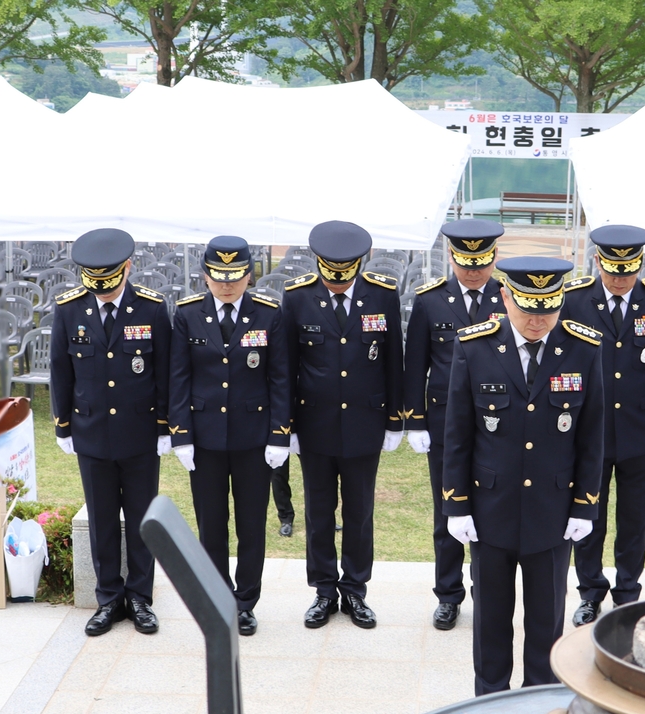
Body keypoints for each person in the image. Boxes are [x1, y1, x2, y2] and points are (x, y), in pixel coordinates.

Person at [442, 257, 605, 696]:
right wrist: (456, 504)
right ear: (505, 297)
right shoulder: (474, 346)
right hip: (489, 509)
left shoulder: (583, 348)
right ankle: (489, 704)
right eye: (527, 308)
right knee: (491, 622)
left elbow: (591, 438)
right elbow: (458, 434)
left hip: (552, 514)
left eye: (548, 309)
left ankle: (537, 707)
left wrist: (585, 505)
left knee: (545, 623)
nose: (537, 321)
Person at [282, 221, 405, 629]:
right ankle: (322, 591)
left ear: (358, 266)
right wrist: (289, 426)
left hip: (365, 423)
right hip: (314, 424)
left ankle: (354, 590)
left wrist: (394, 421)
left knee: (359, 512)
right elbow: (286, 367)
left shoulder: (382, 295)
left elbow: (393, 362)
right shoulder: (297, 298)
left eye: (344, 273)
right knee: (319, 513)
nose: (337, 283)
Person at [50, 228, 172, 636]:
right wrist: (62, 425)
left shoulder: (152, 309)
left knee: (142, 520)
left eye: (110, 283)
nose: (103, 292)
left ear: (127, 269)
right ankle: (108, 599)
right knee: (102, 521)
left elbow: (164, 374)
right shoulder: (69, 309)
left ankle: (140, 598)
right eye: (95, 284)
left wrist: (164, 427)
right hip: (92, 433)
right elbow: (60, 372)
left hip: (140, 434)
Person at [168, 236, 290, 637]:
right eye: (217, 277)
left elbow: (280, 379)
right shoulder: (187, 315)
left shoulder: (269, 315)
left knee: (251, 525)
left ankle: (245, 602)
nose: (225, 285)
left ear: (249, 274)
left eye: (234, 277)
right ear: (204, 275)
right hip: (203, 440)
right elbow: (179, 378)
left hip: (254, 438)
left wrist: (279, 435)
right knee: (211, 525)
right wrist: (181, 435)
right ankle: (218, 599)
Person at [560, 225, 645, 626]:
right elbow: (564, 362)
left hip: (639, 431)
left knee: (633, 518)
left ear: (639, 267)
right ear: (597, 262)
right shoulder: (576, 300)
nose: (618, 281)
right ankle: (590, 591)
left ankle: (628, 592)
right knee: (588, 516)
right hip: (590, 431)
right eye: (612, 272)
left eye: (627, 273)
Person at [402, 219, 507, 630]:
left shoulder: (508, 297)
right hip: (444, 423)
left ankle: (488, 591)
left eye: (480, 263)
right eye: (465, 263)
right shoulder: (431, 300)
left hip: (496, 424)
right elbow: (416, 366)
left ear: (494, 258)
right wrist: (415, 422)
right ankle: (448, 594)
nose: (473, 271)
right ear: (451, 257)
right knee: (448, 511)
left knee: (491, 513)